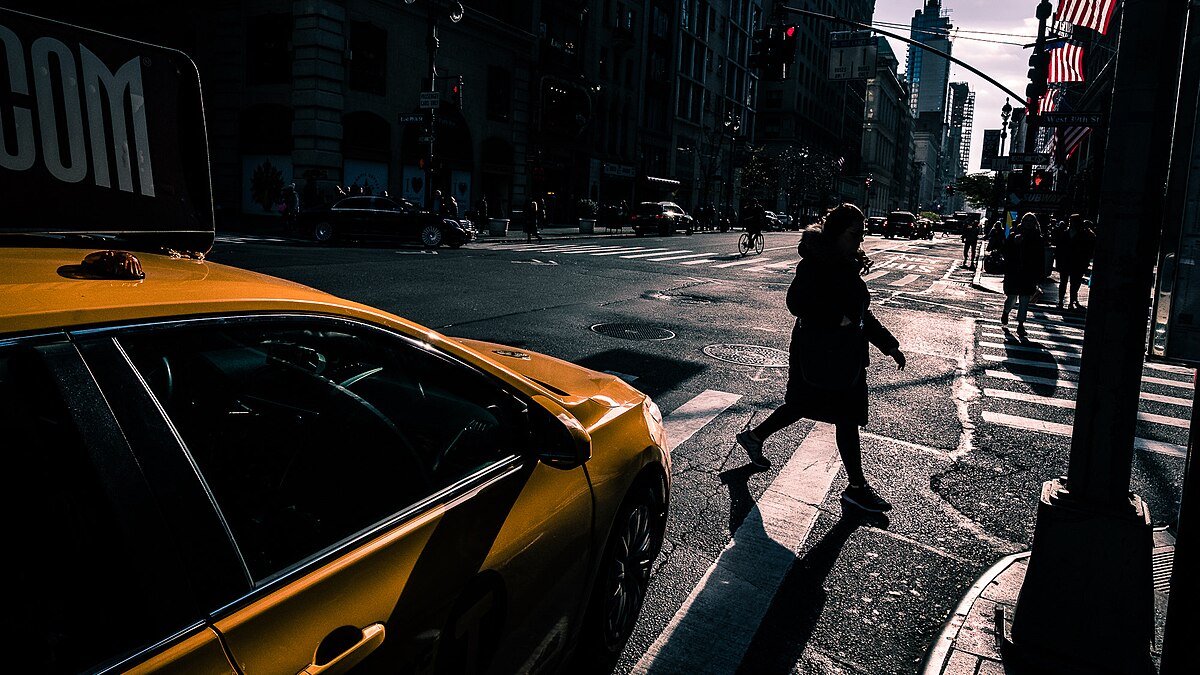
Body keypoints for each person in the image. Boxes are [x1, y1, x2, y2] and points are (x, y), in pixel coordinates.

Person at [735, 203, 907, 513]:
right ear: (836, 233)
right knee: (842, 416)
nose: (860, 240)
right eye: (855, 233)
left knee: (806, 405)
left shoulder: (844, 260)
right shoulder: (817, 262)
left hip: (841, 355)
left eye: (862, 233)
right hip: (821, 353)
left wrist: (888, 344)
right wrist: (837, 319)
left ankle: (755, 437)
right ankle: (856, 488)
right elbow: (797, 302)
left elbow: (859, 313)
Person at [1002, 213, 1046, 338]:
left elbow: (1040, 258)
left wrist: (1040, 276)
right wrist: (1014, 243)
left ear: (1035, 223)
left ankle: (1021, 324)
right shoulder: (1013, 235)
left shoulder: (1038, 238)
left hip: (1029, 273)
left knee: (1025, 300)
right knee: (1011, 298)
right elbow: (1006, 252)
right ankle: (1006, 312)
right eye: (1026, 220)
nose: (1028, 223)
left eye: (1031, 221)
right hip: (1015, 272)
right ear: (1022, 222)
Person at [1055, 215, 1096, 309]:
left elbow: (1087, 251)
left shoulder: (1083, 235)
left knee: (1074, 283)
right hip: (1067, 261)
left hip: (1077, 262)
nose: (1070, 223)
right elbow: (1059, 248)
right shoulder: (1066, 233)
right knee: (1064, 282)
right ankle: (1062, 301)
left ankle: (1071, 302)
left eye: (1072, 221)